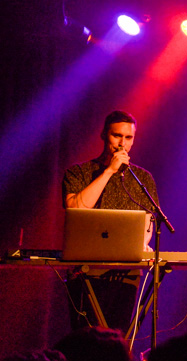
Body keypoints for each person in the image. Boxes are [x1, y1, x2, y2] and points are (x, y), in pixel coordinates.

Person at [61, 110, 160, 332]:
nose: (122, 144)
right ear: (104, 135)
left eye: (128, 138)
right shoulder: (78, 173)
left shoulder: (143, 178)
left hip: (127, 272)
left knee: (118, 335)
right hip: (86, 271)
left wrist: (142, 243)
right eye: (117, 136)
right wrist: (109, 172)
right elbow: (76, 208)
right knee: (87, 337)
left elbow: (147, 224)